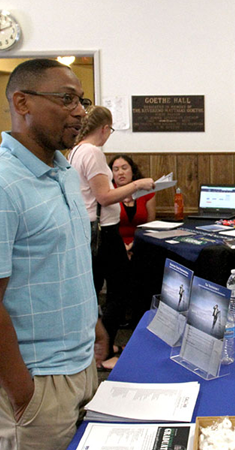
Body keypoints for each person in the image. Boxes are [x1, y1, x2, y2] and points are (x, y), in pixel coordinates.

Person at [0, 59, 108, 450]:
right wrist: (22, 392)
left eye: (81, 100)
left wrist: (92, 321)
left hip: (82, 367)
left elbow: (67, 262)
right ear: (22, 102)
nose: (80, 112)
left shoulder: (63, 170)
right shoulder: (4, 183)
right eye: (66, 100)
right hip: (35, 381)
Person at [68, 107, 155, 369]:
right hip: (103, 233)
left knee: (93, 290)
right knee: (120, 290)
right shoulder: (92, 152)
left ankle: (95, 348)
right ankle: (102, 354)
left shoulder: (75, 150)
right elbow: (104, 197)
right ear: (104, 128)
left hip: (87, 230)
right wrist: (137, 185)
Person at [109, 154, 156, 257]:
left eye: (124, 168)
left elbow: (150, 226)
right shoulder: (108, 194)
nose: (120, 172)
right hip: (114, 245)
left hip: (141, 243)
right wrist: (123, 247)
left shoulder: (146, 192)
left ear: (132, 171)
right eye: (116, 169)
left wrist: (134, 245)